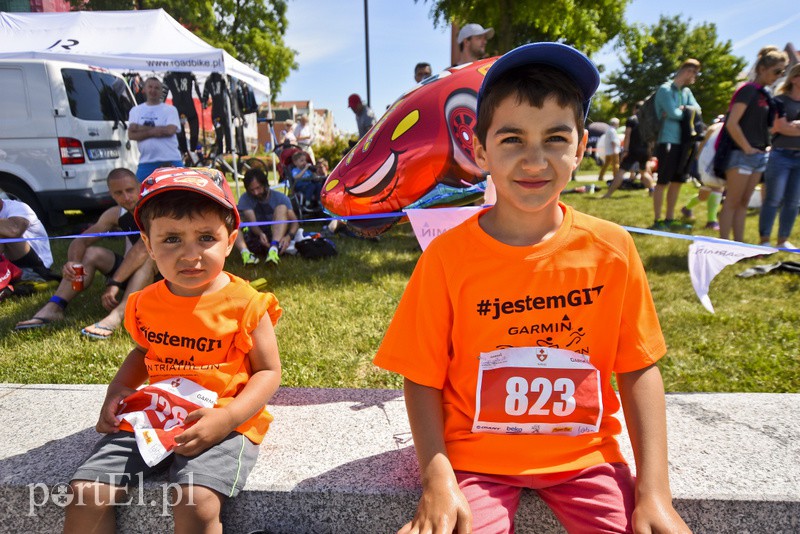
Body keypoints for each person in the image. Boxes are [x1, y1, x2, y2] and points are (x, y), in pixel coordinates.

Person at [374, 42, 689, 533]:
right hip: (474, 459)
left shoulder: (612, 249)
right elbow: (421, 376)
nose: (535, 159)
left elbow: (638, 369)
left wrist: (655, 495)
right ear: (479, 151)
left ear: (581, 147)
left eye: (556, 139)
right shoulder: (446, 258)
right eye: (513, 139)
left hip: (586, 457)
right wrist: (438, 479)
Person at [63, 167, 283, 534]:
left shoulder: (246, 304)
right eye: (171, 240)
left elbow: (268, 372)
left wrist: (227, 419)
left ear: (230, 240)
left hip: (224, 418)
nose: (190, 254)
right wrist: (118, 390)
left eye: (205, 237)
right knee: (86, 493)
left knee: (196, 502)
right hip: (156, 413)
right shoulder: (145, 302)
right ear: (147, 245)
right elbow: (141, 353)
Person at [14, 169, 156, 338]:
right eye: (119, 193)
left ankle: (118, 315)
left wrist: (115, 283)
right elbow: (81, 240)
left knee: (148, 255)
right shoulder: (115, 214)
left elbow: (140, 249)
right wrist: (73, 262)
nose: (125, 197)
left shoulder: (152, 210)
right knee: (90, 254)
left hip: (159, 276)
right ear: (111, 194)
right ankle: (55, 307)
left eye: (130, 190)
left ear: (139, 187)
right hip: (133, 274)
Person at [718, 48, 788, 243]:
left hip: (758, 155)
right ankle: (724, 245)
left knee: (743, 203)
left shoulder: (765, 95)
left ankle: (739, 246)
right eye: (777, 71)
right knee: (731, 201)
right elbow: (732, 123)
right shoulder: (748, 90)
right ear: (762, 68)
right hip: (740, 154)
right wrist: (747, 148)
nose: (779, 76)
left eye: (782, 72)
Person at [650, 59, 702, 231]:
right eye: (695, 73)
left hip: (684, 143)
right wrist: (683, 111)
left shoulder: (686, 92)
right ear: (688, 71)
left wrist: (684, 109)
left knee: (677, 181)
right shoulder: (665, 89)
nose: (695, 76)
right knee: (663, 181)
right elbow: (673, 113)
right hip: (668, 141)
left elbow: (697, 109)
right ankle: (658, 220)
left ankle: (670, 217)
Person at [758, 61, 800, 248]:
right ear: (794, 78)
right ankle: (764, 240)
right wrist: (787, 127)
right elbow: (778, 127)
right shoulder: (780, 100)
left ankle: (783, 240)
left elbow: (786, 127)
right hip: (781, 155)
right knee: (773, 199)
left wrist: (792, 126)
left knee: (793, 202)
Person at [237, 168, 300, 265]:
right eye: (252, 190)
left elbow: (295, 222)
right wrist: (260, 234)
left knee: (282, 208)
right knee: (233, 221)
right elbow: (252, 223)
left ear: (265, 184)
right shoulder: (245, 198)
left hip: (278, 236)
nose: (256, 193)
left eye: (258, 188)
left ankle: (273, 250)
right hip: (256, 237)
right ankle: (246, 254)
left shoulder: (280, 198)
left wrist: (289, 236)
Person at [127, 77, 183, 182]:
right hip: (146, 162)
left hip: (171, 160)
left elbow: (170, 130)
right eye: (150, 87)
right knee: (140, 194)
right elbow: (131, 135)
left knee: (181, 191)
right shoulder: (136, 111)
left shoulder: (170, 110)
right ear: (144, 89)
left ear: (161, 91)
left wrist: (140, 128)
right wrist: (156, 130)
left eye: (157, 88)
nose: (153, 90)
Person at [603, 102, 655, 198]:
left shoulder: (631, 120)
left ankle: (608, 194)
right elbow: (651, 138)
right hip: (645, 150)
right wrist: (650, 152)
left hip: (633, 151)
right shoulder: (649, 121)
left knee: (621, 172)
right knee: (644, 172)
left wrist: (625, 150)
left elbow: (627, 135)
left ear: (635, 109)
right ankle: (652, 191)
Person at [0, 193, 54, 281]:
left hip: (36, 265)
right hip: (10, 263)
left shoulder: (18, 207)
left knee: (4, 232)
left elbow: (14, 230)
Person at [597, 117, 621, 182]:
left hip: (608, 151)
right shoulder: (612, 131)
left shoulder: (608, 130)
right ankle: (616, 177)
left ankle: (600, 176)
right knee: (616, 165)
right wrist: (614, 150)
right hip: (613, 150)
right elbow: (613, 141)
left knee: (606, 164)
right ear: (615, 124)